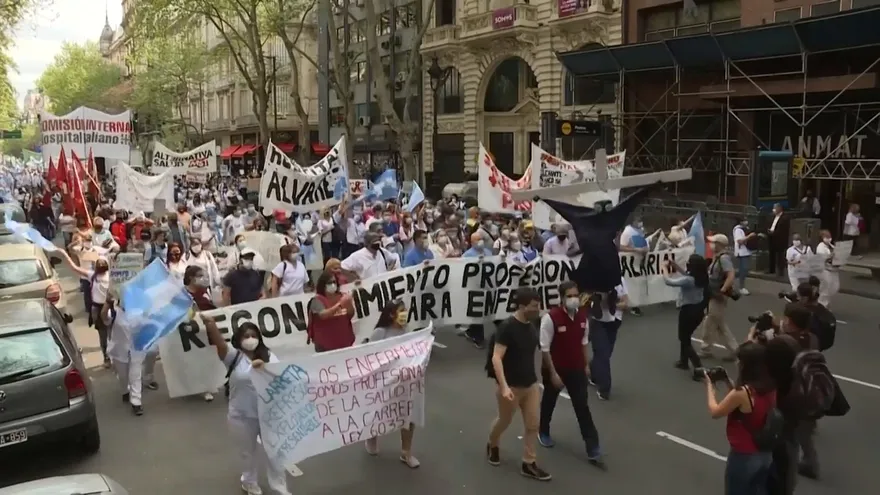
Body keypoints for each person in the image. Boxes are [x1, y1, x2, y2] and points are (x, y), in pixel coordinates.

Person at [202, 315, 290, 495]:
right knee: (246, 452)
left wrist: (265, 368)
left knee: (275, 451)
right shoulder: (233, 357)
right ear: (239, 339)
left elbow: (280, 377)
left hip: (267, 415)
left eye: (253, 335)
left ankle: (279, 483)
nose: (250, 339)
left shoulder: (269, 356)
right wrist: (210, 323)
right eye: (246, 336)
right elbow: (219, 342)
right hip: (241, 416)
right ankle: (249, 482)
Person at [484, 288, 550, 481]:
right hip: (511, 387)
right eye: (534, 306)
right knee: (504, 421)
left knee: (533, 424)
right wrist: (504, 386)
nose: (537, 309)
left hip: (530, 384)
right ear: (522, 306)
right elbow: (496, 358)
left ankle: (529, 462)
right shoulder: (507, 328)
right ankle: (492, 443)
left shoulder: (532, 325)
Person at [537, 281, 603, 465]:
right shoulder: (550, 318)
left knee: (582, 406)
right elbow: (545, 349)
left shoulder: (582, 317)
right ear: (562, 298)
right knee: (549, 401)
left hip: (576, 369)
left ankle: (592, 446)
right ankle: (543, 430)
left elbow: (583, 342)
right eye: (570, 296)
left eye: (576, 295)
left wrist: (585, 365)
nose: (574, 299)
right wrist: (553, 374)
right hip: (556, 369)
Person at [705, 341, 777, 495]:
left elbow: (715, 412)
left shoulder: (742, 393)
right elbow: (745, 405)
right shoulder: (770, 384)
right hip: (765, 453)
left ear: (745, 365)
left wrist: (710, 388)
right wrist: (727, 381)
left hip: (744, 454)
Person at [362, 300, 420, 467]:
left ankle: (406, 452)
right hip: (384, 382)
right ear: (391, 314)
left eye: (405, 309)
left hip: (405, 382)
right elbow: (370, 358)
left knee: (409, 415)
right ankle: (371, 436)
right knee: (378, 412)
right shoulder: (380, 333)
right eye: (401, 310)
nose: (405, 313)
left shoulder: (406, 331)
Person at [102, 296, 159, 416]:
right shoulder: (114, 312)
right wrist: (107, 303)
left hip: (137, 348)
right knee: (123, 375)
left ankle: (136, 402)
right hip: (119, 350)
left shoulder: (140, 311)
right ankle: (125, 390)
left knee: (135, 374)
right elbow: (104, 318)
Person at [62, 251, 112, 367]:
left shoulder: (96, 276)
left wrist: (65, 255)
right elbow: (75, 268)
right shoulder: (95, 276)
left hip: (104, 308)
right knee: (105, 335)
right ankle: (107, 357)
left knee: (105, 335)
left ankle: (108, 357)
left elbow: (74, 268)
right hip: (101, 309)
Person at [664, 254, 708, 380]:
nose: (687, 264)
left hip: (688, 311)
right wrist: (675, 266)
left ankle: (699, 367)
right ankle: (683, 361)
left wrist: (664, 268)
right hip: (698, 311)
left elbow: (669, 281)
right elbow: (686, 274)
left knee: (683, 338)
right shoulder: (702, 277)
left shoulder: (689, 280)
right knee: (686, 337)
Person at [697, 234, 739, 360]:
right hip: (714, 294)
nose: (711, 245)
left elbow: (731, 275)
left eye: (714, 242)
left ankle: (707, 349)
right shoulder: (718, 257)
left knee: (712, 322)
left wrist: (723, 289)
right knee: (717, 323)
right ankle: (734, 350)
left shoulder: (723, 258)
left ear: (719, 244)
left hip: (718, 295)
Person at [588, 280, 627, 401]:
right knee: (602, 354)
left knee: (605, 353)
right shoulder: (593, 280)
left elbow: (625, 303)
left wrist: (612, 305)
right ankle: (605, 388)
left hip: (615, 322)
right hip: (598, 321)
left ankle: (593, 373)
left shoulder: (620, 280)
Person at [815, 230, 839, 307]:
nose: (829, 239)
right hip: (825, 271)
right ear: (822, 238)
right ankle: (821, 306)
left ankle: (826, 305)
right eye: (826, 237)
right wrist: (831, 256)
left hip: (833, 270)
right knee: (825, 289)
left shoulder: (831, 246)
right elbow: (822, 258)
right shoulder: (820, 247)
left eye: (829, 237)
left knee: (834, 288)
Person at [732, 217, 756, 295]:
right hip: (741, 253)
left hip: (746, 252)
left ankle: (730, 281)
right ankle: (741, 287)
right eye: (744, 220)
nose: (746, 222)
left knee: (742, 270)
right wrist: (750, 236)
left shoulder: (745, 228)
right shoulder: (738, 230)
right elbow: (740, 241)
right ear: (741, 222)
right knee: (743, 270)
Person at [766, 204, 788, 276]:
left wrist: (774, 232)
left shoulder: (785, 218)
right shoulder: (772, 216)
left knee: (780, 256)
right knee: (771, 254)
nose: (773, 210)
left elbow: (783, 230)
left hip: (780, 239)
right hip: (772, 237)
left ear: (779, 208)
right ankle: (771, 270)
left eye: (775, 208)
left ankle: (780, 272)